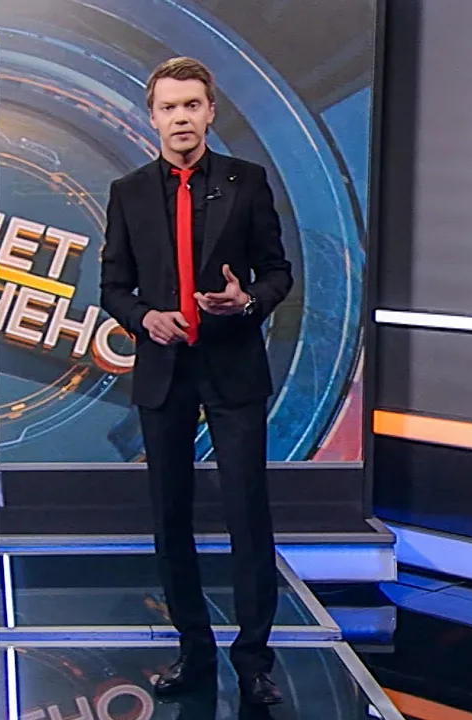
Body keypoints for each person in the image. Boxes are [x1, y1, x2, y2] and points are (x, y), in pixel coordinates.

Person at [99, 57, 292, 705]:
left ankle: (254, 661)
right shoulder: (128, 192)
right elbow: (113, 288)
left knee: (247, 513)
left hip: (233, 368)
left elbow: (278, 272)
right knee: (170, 517)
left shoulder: (248, 181)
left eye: (191, 106)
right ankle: (193, 651)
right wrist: (144, 318)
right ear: (152, 117)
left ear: (210, 113)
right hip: (165, 373)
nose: (180, 118)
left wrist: (247, 301)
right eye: (168, 107)